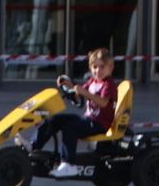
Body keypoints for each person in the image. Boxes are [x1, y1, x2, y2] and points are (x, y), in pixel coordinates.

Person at [31, 46, 119, 177]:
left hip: (100, 124)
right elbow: (79, 93)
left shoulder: (108, 84)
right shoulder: (93, 81)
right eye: (95, 67)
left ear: (110, 68)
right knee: (55, 119)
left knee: (70, 127)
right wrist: (69, 86)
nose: (98, 70)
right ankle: (34, 146)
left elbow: (104, 103)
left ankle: (68, 164)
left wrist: (85, 93)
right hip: (88, 119)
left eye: (102, 67)